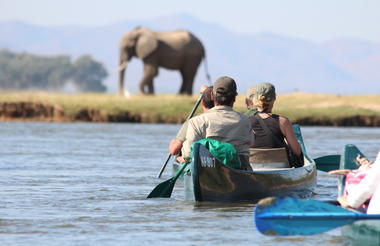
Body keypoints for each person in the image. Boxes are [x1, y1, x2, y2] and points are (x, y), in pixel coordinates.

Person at [179, 76, 254, 170]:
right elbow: (250, 143)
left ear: (212, 96)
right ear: (234, 98)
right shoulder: (245, 120)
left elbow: (187, 155)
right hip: (240, 169)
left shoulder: (196, 121)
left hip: (207, 169)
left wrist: (181, 158)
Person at [249, 82, 302, 165]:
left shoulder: (245, 121)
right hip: (280, 168)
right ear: (274, 99)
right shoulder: (283, 121)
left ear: (255, 99)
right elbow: (297, 152)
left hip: (252, 168)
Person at [169, 85, 214, 156]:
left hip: (196, 159)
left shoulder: (193, 122)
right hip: (219, 159)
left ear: (202, 102)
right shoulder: (226, 121)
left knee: (179, 156)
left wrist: (172, 142)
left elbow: (173, 150)